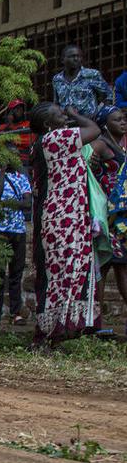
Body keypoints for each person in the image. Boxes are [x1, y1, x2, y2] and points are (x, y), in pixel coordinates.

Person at [29, 103, 102, 344]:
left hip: (67, 216)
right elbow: (94, 130)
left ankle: (57, 330)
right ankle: (49, 331)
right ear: (48, 124)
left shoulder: (46, 142)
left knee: (65, 274)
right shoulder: (56, 138)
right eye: (58, 113)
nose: (64, 114)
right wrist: (75, 114)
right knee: (61, 275)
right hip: (63, 218)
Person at [0, 154, 31, 325]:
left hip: (18, 230)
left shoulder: (22, 177)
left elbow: (27, 204)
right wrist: (2, 172)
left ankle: (16, 312)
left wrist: (6, 204)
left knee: (16, 274)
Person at [95, 106, 127, 331]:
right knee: (105, 267)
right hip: (106, 213)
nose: (123, 122)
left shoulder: (120, 146)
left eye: (123, 119)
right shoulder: (101, 144)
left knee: (120, 267)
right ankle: (97, 322)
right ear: (105, 124)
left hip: (121, 216)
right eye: (117, 120)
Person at [52, 44, 113, 118]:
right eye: (72, 56)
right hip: (66, 122)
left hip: (89, 121)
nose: (76, 59)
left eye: (79, 56)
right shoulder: (57, 79)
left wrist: (101, 115)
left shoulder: (92, 74)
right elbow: (56, 103)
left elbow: (108, 96)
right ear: (62, 60)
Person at [0, 100, 34, 170]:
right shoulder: (3, 127)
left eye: (21, 109)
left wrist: (12, 139)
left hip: (23, 159)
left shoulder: (28, 124)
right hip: (4, 159)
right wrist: (9, 125)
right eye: (17, 109)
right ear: (11, 112)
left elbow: (29, 141)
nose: (20, 111)